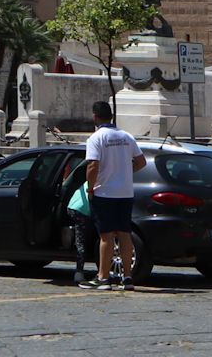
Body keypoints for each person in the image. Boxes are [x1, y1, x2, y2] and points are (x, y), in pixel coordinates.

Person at [82, 100, 144, 290]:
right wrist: (124, 171)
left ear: (95, 116)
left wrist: (91, 187)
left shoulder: (96, 138)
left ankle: (103, 277)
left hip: (105, 192)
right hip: (125, 193)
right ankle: (127, 276)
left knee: (106, 236)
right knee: (125, 234)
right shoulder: (126, 136)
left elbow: (92, 166)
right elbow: (141, 162)